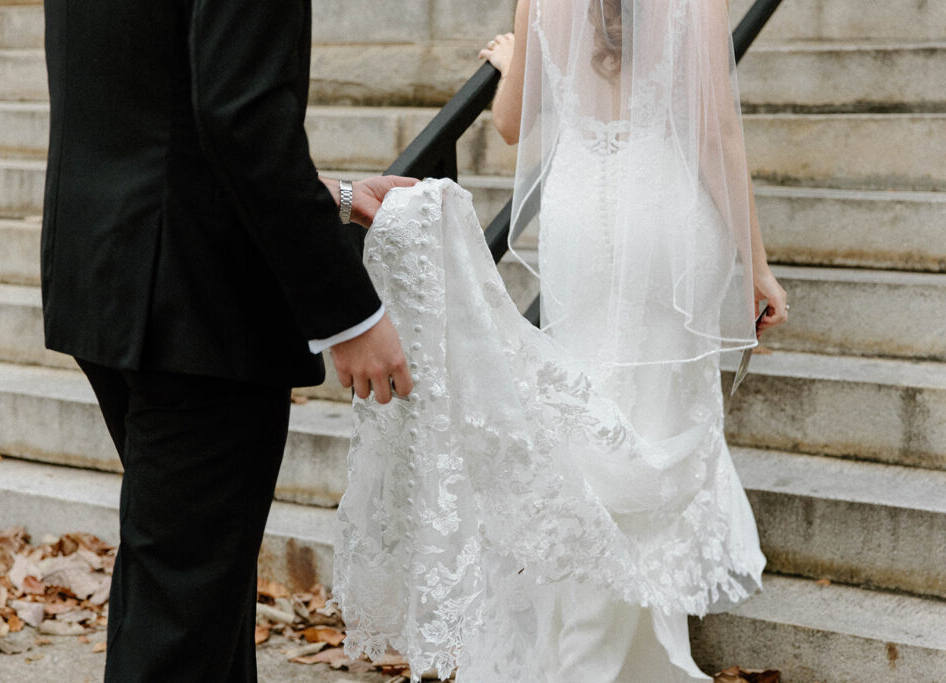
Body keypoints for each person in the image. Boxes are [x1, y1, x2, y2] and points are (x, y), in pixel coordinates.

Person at [332, 0, 788, 681]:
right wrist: (756, 265)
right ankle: (598, 659)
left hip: (579, 216)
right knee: (650, 416)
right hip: (661, 207)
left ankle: (617, 654)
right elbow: (717, 132)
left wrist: (518, 62)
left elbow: (512, 124)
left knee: (585, 424)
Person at [40, 1, 415, 680]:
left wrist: (329, 193)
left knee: (189, 602)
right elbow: (238, 112)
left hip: (107, 269)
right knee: (181, 633)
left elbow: (150, 89)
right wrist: (348, 314)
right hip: (197, 306)